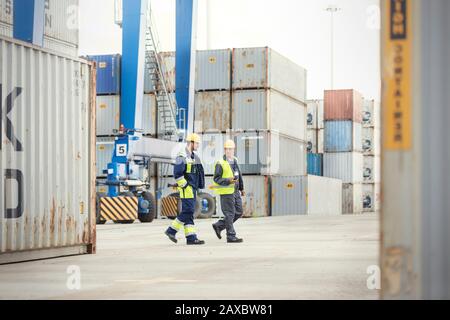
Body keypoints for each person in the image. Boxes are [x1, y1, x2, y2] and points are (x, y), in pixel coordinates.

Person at [165, 133, 206, 245]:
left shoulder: (193, 157)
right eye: (197, 143)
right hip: (186, 188)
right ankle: (171, 230)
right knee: (188, 211)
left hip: (192, 188)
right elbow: (177, 174)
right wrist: (185, 186)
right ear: (191, 143)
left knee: (189, 212)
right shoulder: (182, 155)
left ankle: (191, 237)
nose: (198, 145)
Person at [212, 139, 245, 243]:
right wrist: (228, 180)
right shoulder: (220, 163)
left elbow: (238, 175)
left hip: (235, 191)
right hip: (226, 192)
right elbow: (216, 178)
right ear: (225, 150)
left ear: (234, 150)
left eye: (231, 149)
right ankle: (231, 236)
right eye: (228, 149)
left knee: (239, 212)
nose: (230, 151)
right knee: (230, 214)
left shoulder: (235, 160)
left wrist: (241, 188)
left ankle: (219, 225)